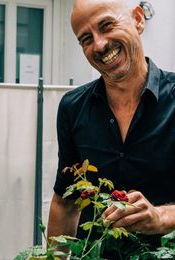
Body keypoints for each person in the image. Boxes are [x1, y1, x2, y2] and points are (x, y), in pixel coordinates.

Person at [47, 0, 175, 258]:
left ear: (138, 20)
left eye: (107, 26)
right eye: (86, 38)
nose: (100, 44)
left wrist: (161, 217)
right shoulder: (72, 108)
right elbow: (65, 202)